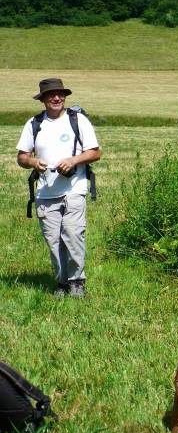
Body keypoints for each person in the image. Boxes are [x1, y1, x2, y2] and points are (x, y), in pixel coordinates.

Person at [16, 78, 102, 297]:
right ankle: (62, 283)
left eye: (60, 94)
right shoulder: (34, 124)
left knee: (73, 235)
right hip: (45, 192)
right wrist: (35, 163)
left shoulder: (78, 120)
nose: (56, 98)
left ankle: (77, 283)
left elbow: (95, 152)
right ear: (43, 99)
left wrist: (73, 161)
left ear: (64, 97)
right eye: (51, 95)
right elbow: (22, 157)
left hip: (74, 189)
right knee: (53, 241)